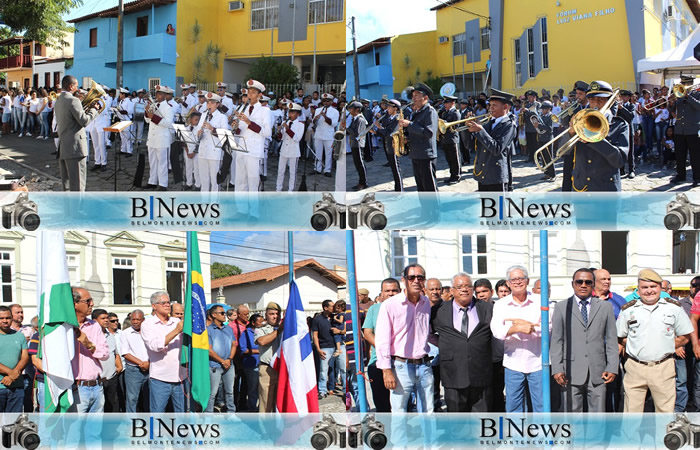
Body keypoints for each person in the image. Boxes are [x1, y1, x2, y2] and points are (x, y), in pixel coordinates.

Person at [617, 269, 694, 413]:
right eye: (645, 287)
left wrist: (667, 346)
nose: (649, 291)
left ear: (660, 287)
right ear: (638, 290)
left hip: (663, 367)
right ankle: (630, 437)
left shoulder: (673, 308)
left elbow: (685, 335)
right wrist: (637, 346)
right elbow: (621, 337)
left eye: (653, 287)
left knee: (664, 414)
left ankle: (661, 437)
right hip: (635, 367)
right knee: (630, 415)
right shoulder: (628, 309)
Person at [550, 269, 618, 412]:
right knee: (573, 415)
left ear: (593, 284)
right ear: (573, 284)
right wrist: (557, 368)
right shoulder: (562, 307)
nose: (583, 285)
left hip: (598, 371)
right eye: (579, 282)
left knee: (598, 415)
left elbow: (611, 340)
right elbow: (557, 340)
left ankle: (596, 436)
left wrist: (612, 367)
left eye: (588, 282)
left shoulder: (605, 307)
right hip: (570, 371)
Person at [375, 264, 434, 413]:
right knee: (399, 411)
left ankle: (429, 437)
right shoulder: (390, 305)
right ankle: (400, 438)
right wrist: (386, 370)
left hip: (424, 364)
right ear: (404, 280)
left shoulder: (426, 303)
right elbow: (382, 340)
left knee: (428, 410)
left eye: (420, 277)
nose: (416, 281)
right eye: (411, 277)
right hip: (400, 366)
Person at [431, 273, 493, 412]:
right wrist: (445, 344)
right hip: (453, 374)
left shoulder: (487, 308)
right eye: (459, 287)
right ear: (452, 291)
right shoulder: (439, 311)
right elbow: (427, 333)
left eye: (468, 286)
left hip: (481, 373)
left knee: (481, 423)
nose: (464, 290)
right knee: (457, 423)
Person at [490, 266, 547, 412]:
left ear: (527, 281)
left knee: (540, 403)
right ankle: (517, 434)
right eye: (513, 279)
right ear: (508, 283)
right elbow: (496, 331)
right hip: (513, 363)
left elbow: (550, 326)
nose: (517, 282)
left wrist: (530, 327)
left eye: (521, 278)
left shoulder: (540, 300)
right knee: (514, 404)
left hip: (537, 362)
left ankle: (541, 434)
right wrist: (517, 327)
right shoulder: (501, 304)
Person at [564, 81, 629, 192]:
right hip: (581, 188)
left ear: (609, 101)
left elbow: (619, 160)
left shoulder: (620, 125)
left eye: (600, 100)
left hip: (605, 188)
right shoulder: (580, 120)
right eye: (592, 99)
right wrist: (570, 133)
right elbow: (565, 153)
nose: (595, 104)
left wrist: (593, 139)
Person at [54, 75, 102, 191]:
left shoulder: (59, 100)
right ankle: (78, 209)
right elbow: (84, 121)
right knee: (78, 185)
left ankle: (69, 209)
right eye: (76, 86)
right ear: (71, 86)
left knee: (67, 185)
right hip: (75, 148)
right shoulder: (73, 100)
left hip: (64, 146)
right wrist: (94, 110)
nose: (77, 88)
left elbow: (71, 119)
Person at [140, 291, 185, 412]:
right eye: (163, 302)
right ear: (154, 306)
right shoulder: (147, 324)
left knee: (181, 413)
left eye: (168, 302)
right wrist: (176, 331)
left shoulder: (176, 322)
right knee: (157, 414)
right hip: (160, 378)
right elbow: (155, 346)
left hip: (181, 377)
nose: (167, 305)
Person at [362, 278, 401, 412]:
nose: (391, 293)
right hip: (377, 361)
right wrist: (384, 349)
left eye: (394, 290)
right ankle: (386, 430)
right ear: (382, 293)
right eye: (387, 291)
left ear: (400, 291)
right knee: (382, 403)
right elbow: (367, 333)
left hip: (401, 362)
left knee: (401, 404)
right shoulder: (374, 309)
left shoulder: (407, 307)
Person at [466, 88, 515, 192]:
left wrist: (480, 131)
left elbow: (497, 149)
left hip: (496, 175)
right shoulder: (487, 122)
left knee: (499, 207)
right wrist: (470, 129)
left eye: (494, 105)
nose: (490, 108)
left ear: (505, 107)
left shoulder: (509, 125)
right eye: (490, 105)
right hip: (483, 173)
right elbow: (471, 146)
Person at [71, 287, 109, 412]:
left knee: (95, 430)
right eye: (88, 301)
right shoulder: (65, 327)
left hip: (97, 386)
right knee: (75, 429)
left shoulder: (94, 325)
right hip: (76, 387)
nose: (91, 304)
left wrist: (88, 344)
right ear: (75, 304)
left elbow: (105, 353)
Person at [398, 83, 438, 191]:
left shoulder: (430, 111)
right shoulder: (416, 112)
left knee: (429, 187)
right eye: (413, 96)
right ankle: (424, 207)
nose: (413, 98)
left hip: (426, 155)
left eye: (416, 95)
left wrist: (409, 124)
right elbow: (416, 131)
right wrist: (406, 139)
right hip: (416, 154)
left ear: (425, 97)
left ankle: (433, 208)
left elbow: (429, 133)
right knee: (420, 187)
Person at [206, 305, 237, 412]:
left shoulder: (228, 329)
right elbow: (209, 350)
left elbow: (234, 344)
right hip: (215, 366)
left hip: (229, 365)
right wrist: (222, 361)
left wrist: (229, 359)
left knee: (230, 391)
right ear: (214, 315)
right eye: (222, 313)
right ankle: (208, 415)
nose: (225, 315)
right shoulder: (208, 330)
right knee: (212, 393)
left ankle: (231, 412)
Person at [195, 92, 228, 192]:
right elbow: (197, 130)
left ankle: (214, 201)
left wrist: (212, 128)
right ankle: (204, 200)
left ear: (217, 104)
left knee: (214, 180)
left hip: (214, 152)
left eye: (212, 103)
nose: (209, 104)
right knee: (204, 179)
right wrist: (199, 133)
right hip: (203, 150)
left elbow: (225, 136)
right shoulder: (204, 115)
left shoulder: (222, 117)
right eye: (208, 102)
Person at [144, 85, 175, 191]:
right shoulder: (154, 104)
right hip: (152, 137)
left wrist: (153, 117)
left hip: (162, 138)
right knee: (152, 161)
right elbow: (147, 120)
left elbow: (168, 123)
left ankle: (163, 184)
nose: (158, 95)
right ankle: (152, 181)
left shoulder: (168, 107)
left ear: (165, 95)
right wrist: (147, 112)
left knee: (162, 163)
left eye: (160, 93)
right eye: (157, 93)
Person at [91, 309, 123, 412]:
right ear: (95, 320)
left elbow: (115, 353)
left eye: (107, 318)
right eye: (103, 318)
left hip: (111, 377)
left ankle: (113, 427)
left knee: (113, 404)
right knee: (99, 407)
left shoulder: (110, 335)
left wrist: (119, 366)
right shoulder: (90, 336)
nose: (106, 320)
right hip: (97, 380)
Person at [254, 302, 284, 413]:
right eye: (271, 313)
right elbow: (262, 341)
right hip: (267, 369)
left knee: (280, 401)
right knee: (266, 401)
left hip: (282, 369)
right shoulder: (261, 329)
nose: (275, 316)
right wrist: (279, 330)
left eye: (277, 314)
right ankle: (264, 428)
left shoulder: (285, 329)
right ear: (266, 315)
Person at [671, 76, 700, 185]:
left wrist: (688, 97)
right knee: (680, 155)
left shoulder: (697, 94)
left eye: (684, 83)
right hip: (680, 130)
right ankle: (680, 175)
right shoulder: (679, 96)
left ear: (690, 84)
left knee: (695, 156)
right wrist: (672, 103)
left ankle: (697, 178)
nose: (682, 85)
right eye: (681, 83)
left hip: (692, 129)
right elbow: (673, 111)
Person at [561, 81, 590, 191]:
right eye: (576, 94)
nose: (577, 96)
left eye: (580, 94)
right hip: (572, 143)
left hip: (585, 144)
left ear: (586, 94)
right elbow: (564, 123)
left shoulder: (591, 108)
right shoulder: (573, 107)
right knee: (567, 170)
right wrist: (565, 111)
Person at [119, 309, 150, 413]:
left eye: (138, 319)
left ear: (143, 320)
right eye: (133, 319)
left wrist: (148, 363)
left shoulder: (149, 332)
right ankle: (130, 423)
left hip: (151, 368)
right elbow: (125, 353)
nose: (135, 322)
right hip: (133, 370)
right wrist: (141, 363)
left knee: (149, 398)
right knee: (132, 398)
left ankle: (148, 421)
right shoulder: (125, 333)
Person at [0, 306, 28, 412]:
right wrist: (11, 373)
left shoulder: (19, 336)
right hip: (1, 386)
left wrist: (12, 376)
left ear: (12, 318)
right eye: (1, 318)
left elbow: (25, 357)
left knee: (13, 423)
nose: (5, 321)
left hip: (17, 387)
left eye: (7, 318)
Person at [276, 102, 305, 192]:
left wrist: (287, 129)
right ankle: (278, 188)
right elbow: (282, 138)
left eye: (293, 113)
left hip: (293, 151)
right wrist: (279, 132)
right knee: (280, 171)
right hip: (284, 150)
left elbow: (297, 138)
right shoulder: (286, 122)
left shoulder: (301, 125)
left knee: (292, 172)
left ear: (298, 114)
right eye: (290, 112)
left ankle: (291, 190)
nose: (290, 114)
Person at [311, 300, 336, 399]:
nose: (334, 308)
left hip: (336, 347)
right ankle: (322, 390)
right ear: (325, 308)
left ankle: (332, 387)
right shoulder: (317, 320)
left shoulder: (336, 318)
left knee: (334, 369)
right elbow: (315, 336)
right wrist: (318, 349)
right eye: (332, 306)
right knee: (323, 370)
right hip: (324, 347)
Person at [239, 313, 261, 412]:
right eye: (259, 322)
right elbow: (244, 349)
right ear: (253, 323)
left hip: (263, 363)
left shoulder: (264, 332)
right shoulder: (246, 334)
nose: (262, 323)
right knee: (253, 388)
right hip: (252, 364)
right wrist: (259, 351)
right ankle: (252, 408)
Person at [438, 95, 461, 185]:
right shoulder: (445, 112)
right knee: (449, 159)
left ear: (452, 103)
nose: (445, 105)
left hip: (452, 139)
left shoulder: (455, 113)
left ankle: (457, 176)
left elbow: (455, 126)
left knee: (455, 159)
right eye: (445, 103)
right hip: (445, 139)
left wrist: (444, 123)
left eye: (447, 103)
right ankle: (452, 175)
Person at [346, 101, 368, 191]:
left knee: (360, 164)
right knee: (357, 164)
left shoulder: (360, 120)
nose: (350, 110)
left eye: (352, 108)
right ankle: (360, 181)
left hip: (358, 144)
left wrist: (347, 127)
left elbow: (357, 133)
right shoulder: (354, 119)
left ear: (357, 109)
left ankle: (364, 182)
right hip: (353, 143)